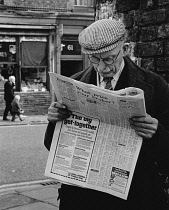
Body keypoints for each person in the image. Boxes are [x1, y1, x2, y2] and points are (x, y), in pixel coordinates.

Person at [44, 18, 169, 210]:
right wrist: (54, 121)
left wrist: (156, 132)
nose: (102, 68)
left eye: (109, 58)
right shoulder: (72, 84)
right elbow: (51, 145)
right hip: (83, 197)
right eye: (95, 59)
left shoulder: (155, 85)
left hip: (134, 197)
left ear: (125, 49)